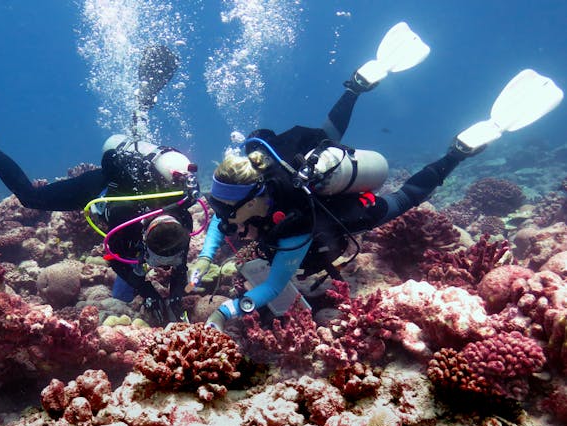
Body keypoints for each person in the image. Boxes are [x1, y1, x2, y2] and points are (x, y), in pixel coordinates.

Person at [190, 22, 563, 331]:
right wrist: (206, 258)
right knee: (324, 139)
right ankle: (356, 86)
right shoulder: (259, 168)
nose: (220, 214)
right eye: (217, 204)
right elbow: (222, 222)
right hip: (313, 165)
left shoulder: (295, 223)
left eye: (226, 207)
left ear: (253, 199)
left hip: (331, 206)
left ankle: (458, 152)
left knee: (400, 201)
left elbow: (272, 286)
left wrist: (228, 312)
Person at [0, 46, 203, 324]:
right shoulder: (124, 221)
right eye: (158, 251)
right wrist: (147, 291)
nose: (164, 261)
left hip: (148, 179)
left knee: (137, 135)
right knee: (30, 198)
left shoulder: (181, 215)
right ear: (146, 233)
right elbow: (115, 260)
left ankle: (143, 99)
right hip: (109, 184)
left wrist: (176, 291)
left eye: (171, 249)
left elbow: (180, 266)